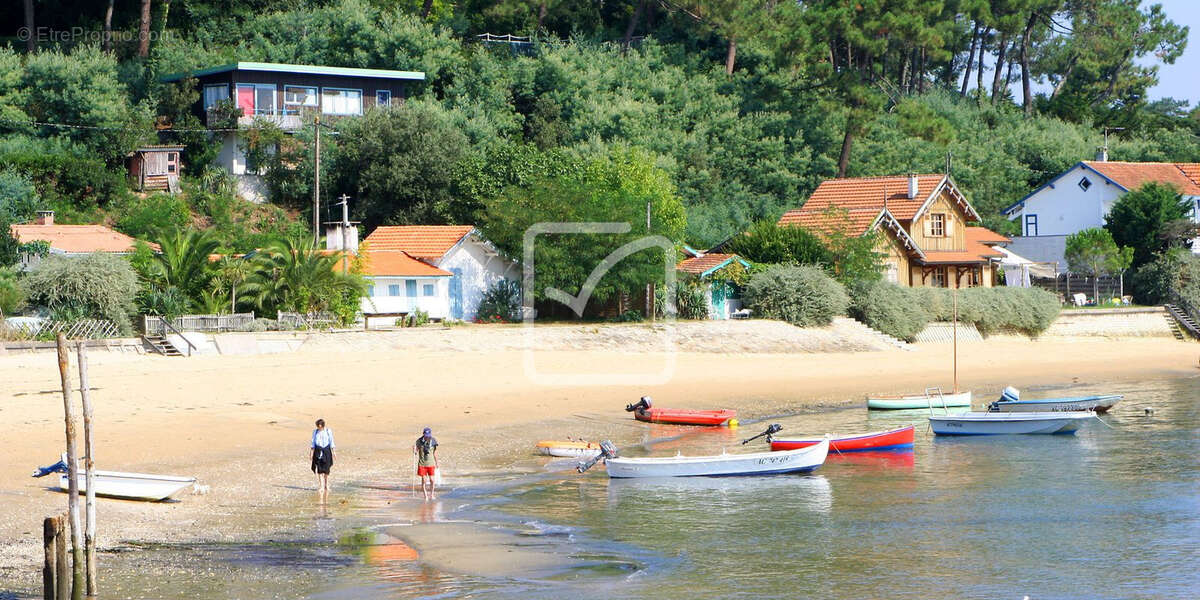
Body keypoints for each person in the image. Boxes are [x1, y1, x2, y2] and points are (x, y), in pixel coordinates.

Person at [413, 427, 438, 501]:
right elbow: (415, 452)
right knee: (424, 480)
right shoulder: (419, 441)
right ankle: (425, 496)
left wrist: (437, 463)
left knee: (432, 480)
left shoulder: (433, 441)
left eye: (428, 435)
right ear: (423, 434)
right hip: (422, 464)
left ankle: (432, 494)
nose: (427, 437)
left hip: (431, 463)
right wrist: (414, 450)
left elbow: (435, 453)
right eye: (426, 435)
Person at [311, 418, 335, 494]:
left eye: (320, 426)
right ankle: (321, 486)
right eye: (318, 426)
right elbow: (312, 443)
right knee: (319, 469)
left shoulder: (328, 431)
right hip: (318, 451)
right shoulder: (315, 432)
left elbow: (331, 441)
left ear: (323, 426)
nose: (319, 428)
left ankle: (326, 485)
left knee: (326, 470)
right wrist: (311, 453)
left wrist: (334, 452)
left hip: (327, 451)